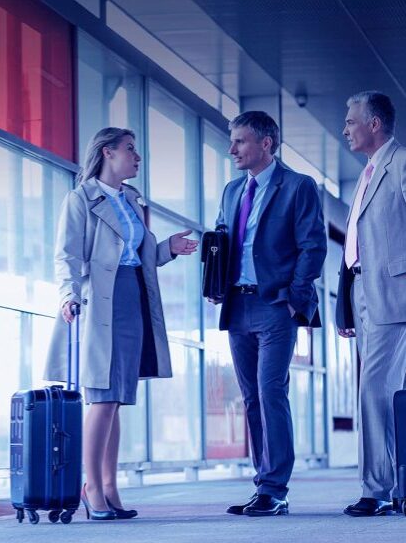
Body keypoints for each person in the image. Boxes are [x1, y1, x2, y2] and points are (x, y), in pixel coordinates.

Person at [44, 127, 198, 520]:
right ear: (108, 153)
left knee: (117, 399)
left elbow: (141, 255)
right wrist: (68, 294)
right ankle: (91, 486)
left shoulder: (130, 200)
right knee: (102, 396)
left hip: (133, 300)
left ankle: (110, 487)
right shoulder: (80, 199)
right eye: (130, 149)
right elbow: (66, 255)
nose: (137, 157)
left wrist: (170, 248)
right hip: (99, 304)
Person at [209, 111, 326, 516]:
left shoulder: (298, 186)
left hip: (276, 304)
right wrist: (214, 285)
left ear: (266, 144)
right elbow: (222, 241)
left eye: (240, 141)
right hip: (238, 304)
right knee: (251, 397)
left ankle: (275, 488)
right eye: (232, 141)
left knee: (270, 390)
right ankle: (264, 485)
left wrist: (295, 296)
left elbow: (313, 245)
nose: (232, 149)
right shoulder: (230, 190)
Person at [336, 91, 406, 517]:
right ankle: (390, 486)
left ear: (374, 124)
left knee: (373, 389)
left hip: (392, 294)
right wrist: (347, 302)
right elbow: (356, 245)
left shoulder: (399, 163)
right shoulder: (366, 172)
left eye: (351, 121)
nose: (345, 128)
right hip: (364, 294)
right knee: (380, 391)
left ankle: (377, 489)